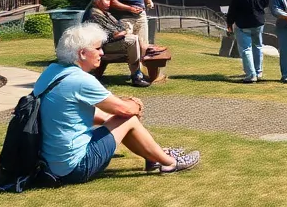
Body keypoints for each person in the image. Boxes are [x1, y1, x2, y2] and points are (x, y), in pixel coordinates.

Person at [33, 23, 200, 183]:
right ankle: (169, 162)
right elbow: (125, 111)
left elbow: (72, 115)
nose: (102, 53)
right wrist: (135, 103)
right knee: (128, 118)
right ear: (82, 53)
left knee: (117, 118)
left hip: (50, 165)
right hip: (75, 168)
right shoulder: (81, 80)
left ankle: (154, 156)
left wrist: (120, 111)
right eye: (97, 48)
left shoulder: (51, 72)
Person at [81, 0, 149, 87]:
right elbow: (114, 33)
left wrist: (122, 31)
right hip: (101, 47)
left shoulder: (105, 13)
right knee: (132, 40)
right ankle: (136, 76)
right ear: (97, 1)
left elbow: (120, 26)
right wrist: (123, 31)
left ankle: (138, 72)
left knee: (135, 39)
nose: (109, 2)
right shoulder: (94, 14)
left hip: (109, 42)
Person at [226, 0, 271, 83]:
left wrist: (229, 23)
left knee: (246, 49)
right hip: (258, 23)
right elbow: (266, 4)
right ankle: (258, 72)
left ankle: (251, 75)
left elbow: (232, 10)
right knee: (258, 47)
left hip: (243, 25)